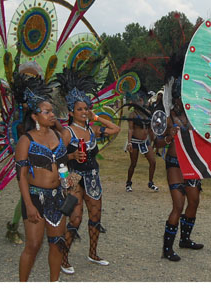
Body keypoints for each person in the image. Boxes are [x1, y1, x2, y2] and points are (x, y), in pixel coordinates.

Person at [53, 68, 121, 275]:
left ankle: (93, 253)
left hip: (92, 177)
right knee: (75, 218)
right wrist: (72, 158)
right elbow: (56, 159)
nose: (84, 112)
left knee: (96, 215)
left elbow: (115, 129)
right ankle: (64, 259)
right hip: (73, 178)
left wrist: (97, 117)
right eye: (80, 109)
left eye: (86, 109)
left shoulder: (92, 131)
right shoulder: (67, 132)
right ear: (71, 112)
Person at [15, 77, 68, 282]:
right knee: (34, 245)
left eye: (52, 111)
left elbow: (62, 166)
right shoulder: (25, 140)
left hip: (58, 198)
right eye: (47, 112)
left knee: (57, 243)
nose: (52, 114)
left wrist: (67, 183)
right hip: (36, 198)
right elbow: (21, 176)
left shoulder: (57, 136)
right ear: (35, 116)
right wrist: (28, 205)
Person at [156, 46, 205, 262]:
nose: (181, 102)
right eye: (178, 99)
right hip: (174, 163)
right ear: (174, 98)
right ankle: (167, 249)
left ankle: (185, 239)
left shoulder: (195, 116)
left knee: (193, 202)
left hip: (192, 163)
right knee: (178, 205)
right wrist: (169, 137)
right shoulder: (165, 117)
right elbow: (156, 143)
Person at [125, 93, 159, 192]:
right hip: (135, 142)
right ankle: (128, 183)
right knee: (133, 163)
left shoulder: (148, 113)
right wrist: (129, 142)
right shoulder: (132, 115)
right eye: (138, 101)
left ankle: (151, 182)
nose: (140, 102)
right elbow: (131, 129)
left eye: (141, 100)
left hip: (145, 142)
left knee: (153, 162)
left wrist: (154, 141)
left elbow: (151, 128)